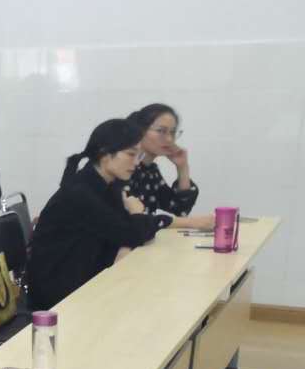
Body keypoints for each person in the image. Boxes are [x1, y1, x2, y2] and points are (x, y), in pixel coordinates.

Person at [27, 119, 168, 312]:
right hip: (59, 294)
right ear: (105, 154)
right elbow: (131, 234)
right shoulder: (81, 193)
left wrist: (137, 223)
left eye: (139, 155)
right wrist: (137, 213)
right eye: (131, 154)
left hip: (83, 276)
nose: (136, 163)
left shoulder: (107, 184)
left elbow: (128, 230)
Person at [126, 104, 213, 230]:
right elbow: (136, 221)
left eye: (172, 132)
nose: (169, 139)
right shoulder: (124, 169)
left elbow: (179, 209)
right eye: (161, 131)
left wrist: (182, 167)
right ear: (140, 130)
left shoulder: (150, 171)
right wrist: (190, 223)